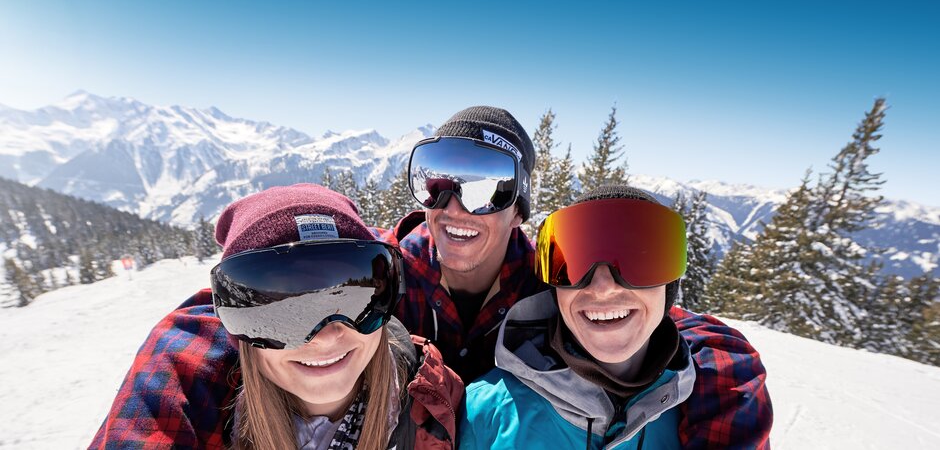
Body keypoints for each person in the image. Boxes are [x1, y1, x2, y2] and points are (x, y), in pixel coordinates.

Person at [92, 106, 771, 447]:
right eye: (437, 180)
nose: (452, 207)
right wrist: (192, 343)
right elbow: (265, 299)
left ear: (518, 205)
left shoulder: (550, 279)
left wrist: (722, 373)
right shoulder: (382, 270)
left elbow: (651, 318)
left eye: (483, 189)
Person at [94, 184, 463, 448]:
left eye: (355, 299)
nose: (328, 335)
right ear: (239, 323)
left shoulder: (432, 397)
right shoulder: (199, 403)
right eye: (287, 310)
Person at [460, 185, 771, 448]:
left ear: (669, 289)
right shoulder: (486, 410)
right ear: (555, 291)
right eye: (575, 267)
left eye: (638, 263)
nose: (603, 288)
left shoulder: (707, 403)